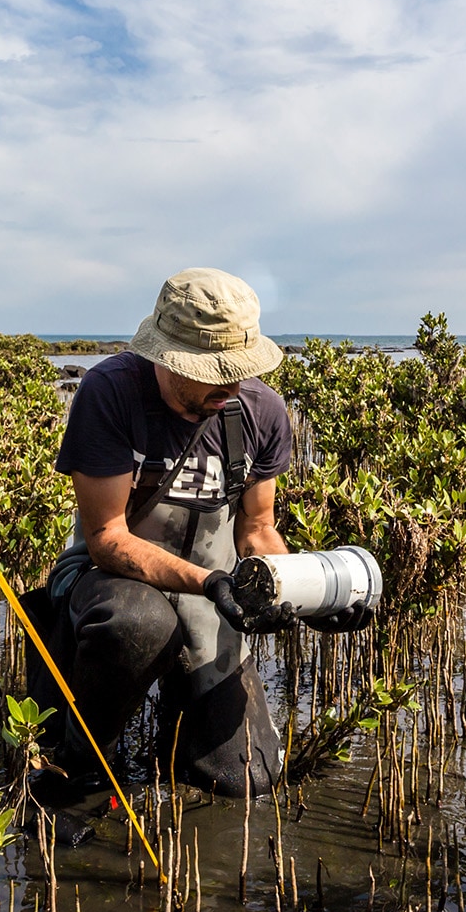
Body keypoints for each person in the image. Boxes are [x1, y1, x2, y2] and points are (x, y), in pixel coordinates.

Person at [39, 267, 292, 801]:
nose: (229, 386)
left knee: (246, 779)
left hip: (210, 592)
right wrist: (210, 583)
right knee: (140, 622)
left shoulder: (261, 410)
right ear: (166, 358)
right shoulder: (110, 392)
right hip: (107, 582)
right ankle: (80, 766)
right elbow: (107, 537)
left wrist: (297, 587)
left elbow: (258, 527)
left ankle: (178, 740)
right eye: (212, 372)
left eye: (237, 372)